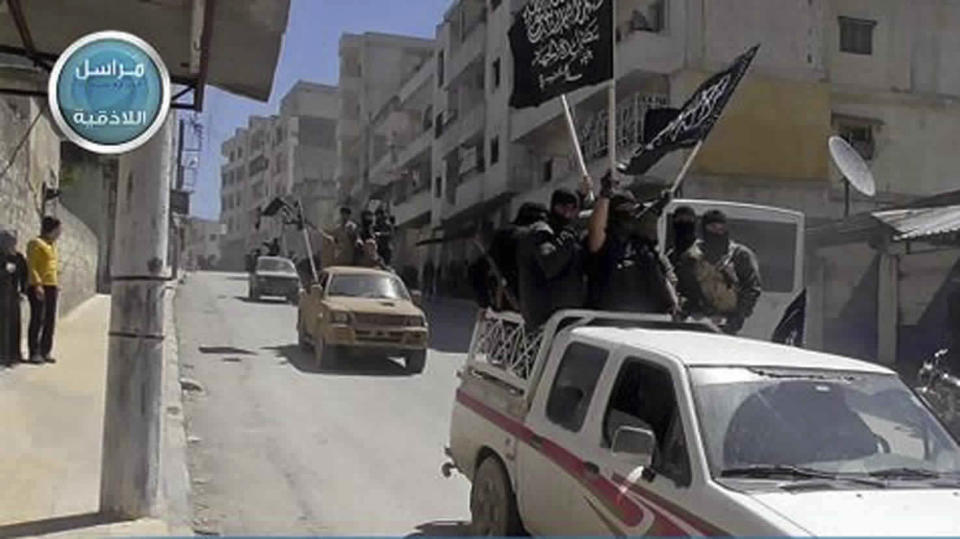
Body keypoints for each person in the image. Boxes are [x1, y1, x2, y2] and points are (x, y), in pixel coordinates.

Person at [586, 175, 679, 316]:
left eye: (632, 210)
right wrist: (604, 195)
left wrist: (674, 302)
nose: (629, 215)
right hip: (607, 322)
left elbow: (660, 275)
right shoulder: (605, 244)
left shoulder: (641, 245)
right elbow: (596, 229)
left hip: (647, 322)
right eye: (623, 210)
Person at [516, 188, 587, 328]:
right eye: (563, 208)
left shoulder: (568, 232)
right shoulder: (541, 231)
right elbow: (550, 265)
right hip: (546, 318)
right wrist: (567, 237)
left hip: (567, 316)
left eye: (573, 209)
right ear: (554, 206)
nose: (568, 213)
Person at [697, 209, 762, 334]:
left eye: (720, 227)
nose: (717, 231)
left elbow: (752, 288)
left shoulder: (740, 255)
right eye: (712, 227)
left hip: (727, 321)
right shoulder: (694, 254)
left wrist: (738, 316)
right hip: (697, 320)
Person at [27, 217, 62, 364]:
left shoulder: (52, 245)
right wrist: (37, 285)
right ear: (51, 229)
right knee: (38, 318)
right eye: (58, 229)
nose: (59, 233)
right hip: (39, 285)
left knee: (50, 319)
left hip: (52, 285)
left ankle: (45, 350)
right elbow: (32, 265)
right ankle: (34, 352)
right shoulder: (35, 243)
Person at [667, 206, 708, 317]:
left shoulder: (703, 252)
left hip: (702, 317)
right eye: (680, 221)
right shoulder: (669, 255)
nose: (684, 224)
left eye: (688, 221)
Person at [0, 229, 27, 366]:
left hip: (13, 295)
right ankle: (4, 356)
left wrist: (23, 291)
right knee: (3, 326)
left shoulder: (18, 257)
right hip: (2, 295)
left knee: (14, 325)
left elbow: (24, 275)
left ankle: (14, 355)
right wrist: (5, 271)